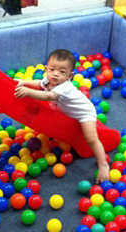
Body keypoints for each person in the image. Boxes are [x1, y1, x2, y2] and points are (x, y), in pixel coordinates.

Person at [14, 49, 110, 183]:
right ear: (46, 69)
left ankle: (103, 165)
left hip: (84, 112)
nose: (56, 74)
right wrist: (24, 82)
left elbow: (48, 95)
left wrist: (28, 92)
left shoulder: (64, 87)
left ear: (70, 76)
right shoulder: (49, 80)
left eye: (62, 72)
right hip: (65, 111)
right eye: (52, 69)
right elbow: (39, 84)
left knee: (91, 138)